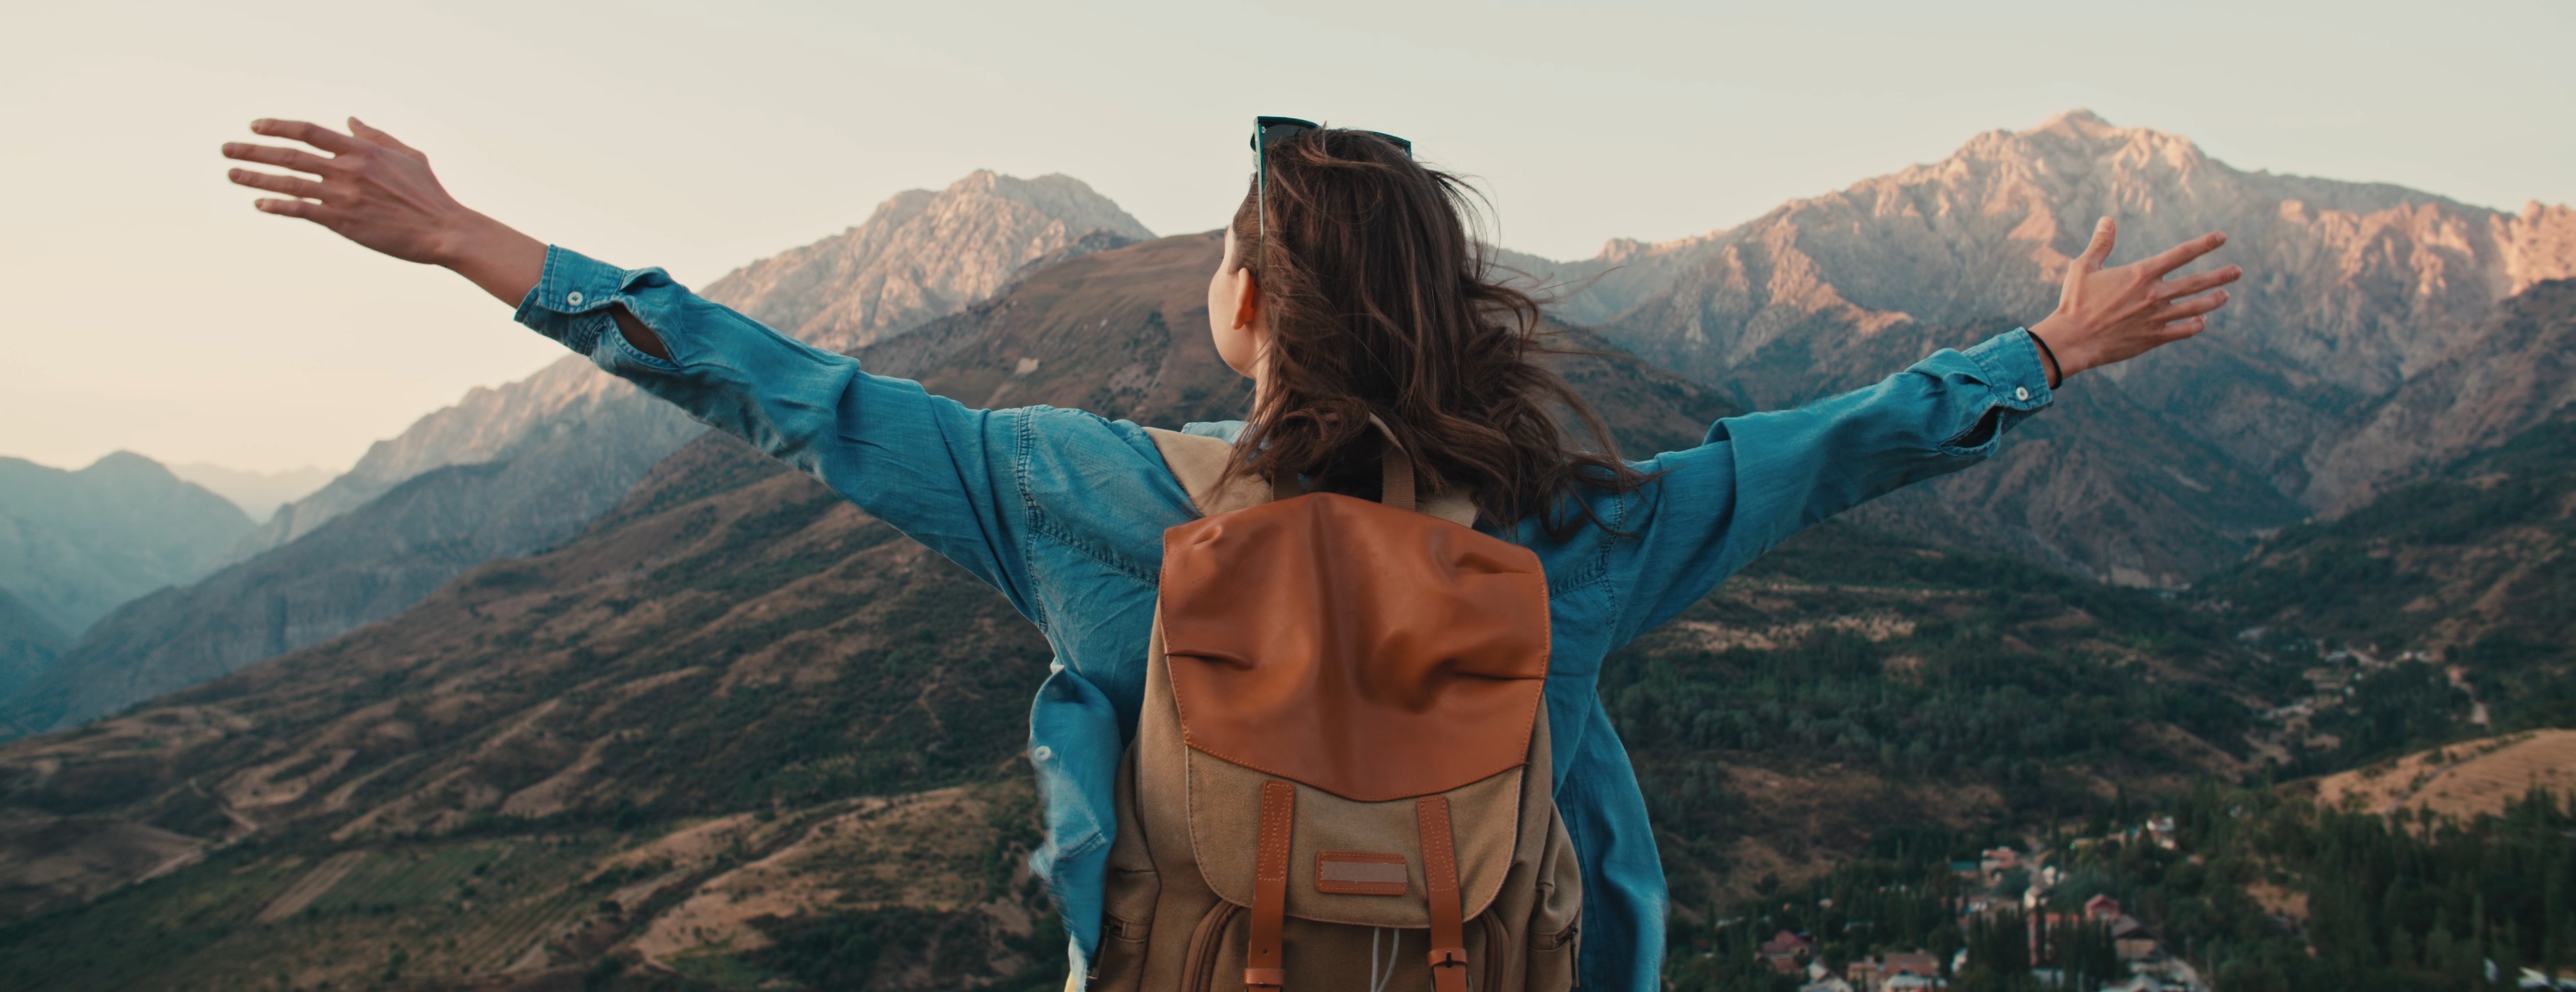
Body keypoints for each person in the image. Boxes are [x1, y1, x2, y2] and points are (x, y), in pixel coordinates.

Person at [221, 115, 2240, 989]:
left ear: (1252, 312)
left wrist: (479, 244)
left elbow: (785, 392)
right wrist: (2045, 353)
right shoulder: (1569, 540)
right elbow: (1819, 455)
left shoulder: (1082, 498)